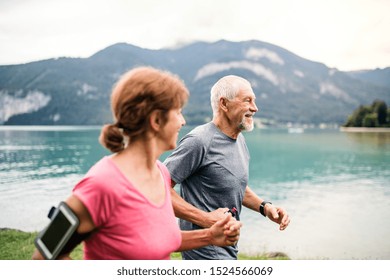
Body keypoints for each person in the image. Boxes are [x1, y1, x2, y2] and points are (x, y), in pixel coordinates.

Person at [32, 67, 241, 260]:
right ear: (156, 120)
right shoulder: (100, 184)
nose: (183, 121)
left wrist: (209, 236)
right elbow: (43, 256)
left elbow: (159, 240)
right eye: (177, 112)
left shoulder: (160, 173)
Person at [164, 75, 290, 260]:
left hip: (228, 249)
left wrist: (264, 207)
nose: (255, 108)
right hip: (205, 253)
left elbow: (232, 182)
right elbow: (158, 188)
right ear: (224, 104)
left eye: (254, 101)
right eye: (247, 101)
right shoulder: (199, 141)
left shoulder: (239, 140)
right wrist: (205, 219)